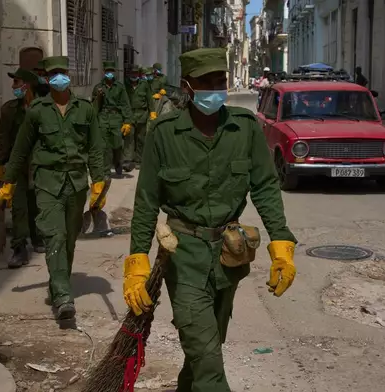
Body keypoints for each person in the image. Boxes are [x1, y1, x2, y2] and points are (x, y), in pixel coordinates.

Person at [122, 47, 297, 391]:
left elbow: (264, 187)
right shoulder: (165, 133)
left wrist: (281, 240)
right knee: (207, 358)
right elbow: (146, 202)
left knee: (206, 350)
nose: (215, 88)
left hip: (230, 255)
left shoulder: (244, 128)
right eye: (206, 82)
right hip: (183, 255)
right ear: (187, 86)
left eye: (221, 80)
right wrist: (137, 260)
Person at [0, 56, 105, 320]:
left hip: (77, 183)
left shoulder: (85, 109)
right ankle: (62, 295)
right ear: (46, 78)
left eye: (62, 72)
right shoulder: (37, 110)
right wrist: (8, 181)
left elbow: (95, 148)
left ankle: (59, 282)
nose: (58, 77)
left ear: (70, 75)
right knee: (54, 237)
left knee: (69, 239)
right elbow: (21, 149)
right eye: (53, 73)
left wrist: (100, 181)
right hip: (47, 182)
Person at [0, 67, 45, 268]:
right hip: (17, 165)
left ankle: (38, 238)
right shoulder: (9, 110)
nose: (13, 86)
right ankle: (19, 248)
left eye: (17, 82)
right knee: (19, 206)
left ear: (27, 85)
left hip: (40, 164)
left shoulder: (43, 108)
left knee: (37, 204)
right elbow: (2, 138)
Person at [91, 61, 133, 178]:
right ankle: (106, 171)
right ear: (103, 72)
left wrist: (128, 121)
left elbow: (125, 104)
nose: (109, 73)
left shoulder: (120, 87)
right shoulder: (98, 87)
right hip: (103, 118)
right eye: (107, 71)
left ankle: (118, 163)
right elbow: (94, 107)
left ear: (114, 72)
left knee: (117, 144)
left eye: (111, 71)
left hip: (116, 118)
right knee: (104, 146)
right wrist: (98, 97)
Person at [124, 65, 156, 170]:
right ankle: (128, 160)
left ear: (139, 74)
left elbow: (149, 99)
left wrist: (152, 112)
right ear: (129, 74)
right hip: (130, 115)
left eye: (136, 73)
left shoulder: (144, 84)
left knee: (140, 139)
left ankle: (139, 160)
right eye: (132, 73)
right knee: (129, 137)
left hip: (142, 115)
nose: (134, 75)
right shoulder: (125, 85)